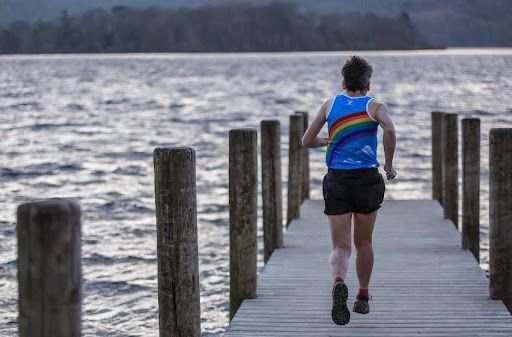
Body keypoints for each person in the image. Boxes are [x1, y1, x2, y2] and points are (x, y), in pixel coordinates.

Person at [302, 56, 397, 326]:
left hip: (337, 180)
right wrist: (389, 165)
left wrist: (327, 140)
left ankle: (338, 281)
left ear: (344, 82)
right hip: (366, 179)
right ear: (367, 84)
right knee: (364, 242)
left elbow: (306, 140)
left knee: (341, 246)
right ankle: (362, 298)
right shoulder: (375, 106)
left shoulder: (330, 104)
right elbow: (390, 129)